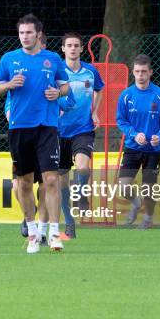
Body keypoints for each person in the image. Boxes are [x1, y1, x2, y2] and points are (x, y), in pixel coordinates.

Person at [0, 14, 70, 253]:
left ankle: (55, 233)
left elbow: (65, 86)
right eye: (21, 33)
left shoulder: (52, 58)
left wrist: (58, 92)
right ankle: (33, 232)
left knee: (52, 179)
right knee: (23, 184)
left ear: (38, 34)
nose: (25, 36)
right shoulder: (9, 59)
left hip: (47, 126)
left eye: (29, 32)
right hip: (19, 128)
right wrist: (8, 85)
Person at [116, 54, 160, 229]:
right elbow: (121, 121)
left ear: (150, 72)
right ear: (133, 72)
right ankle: (135, 202)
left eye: (144, 72)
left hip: (153, 150)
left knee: (149, 188)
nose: (140, 75)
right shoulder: (126, 95)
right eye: (137, 72)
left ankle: (148, 217)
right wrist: (134, 134)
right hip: (132, 148)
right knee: (124, 187)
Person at [58, 32, 104, 238]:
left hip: (83, 129)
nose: (73, 49)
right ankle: (69, 223)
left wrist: (94, 111)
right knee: (61, 181)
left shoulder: (90, 71)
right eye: (69, 45)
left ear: (82, 48)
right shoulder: (55, 71)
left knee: (83, 166)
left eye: (76, 45)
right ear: (63, 49)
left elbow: (99, 90)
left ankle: (81, 194)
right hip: (57, 132)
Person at [14, 32, 46, 241]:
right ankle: (29, 215)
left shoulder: (51, 66)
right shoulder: (13, 63)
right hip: (21, 132)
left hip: (46, 134)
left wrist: (59, 99)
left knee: (47, 183)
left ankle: (42, 232)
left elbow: (67, 99)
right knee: (19, 185)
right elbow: (8, 102)